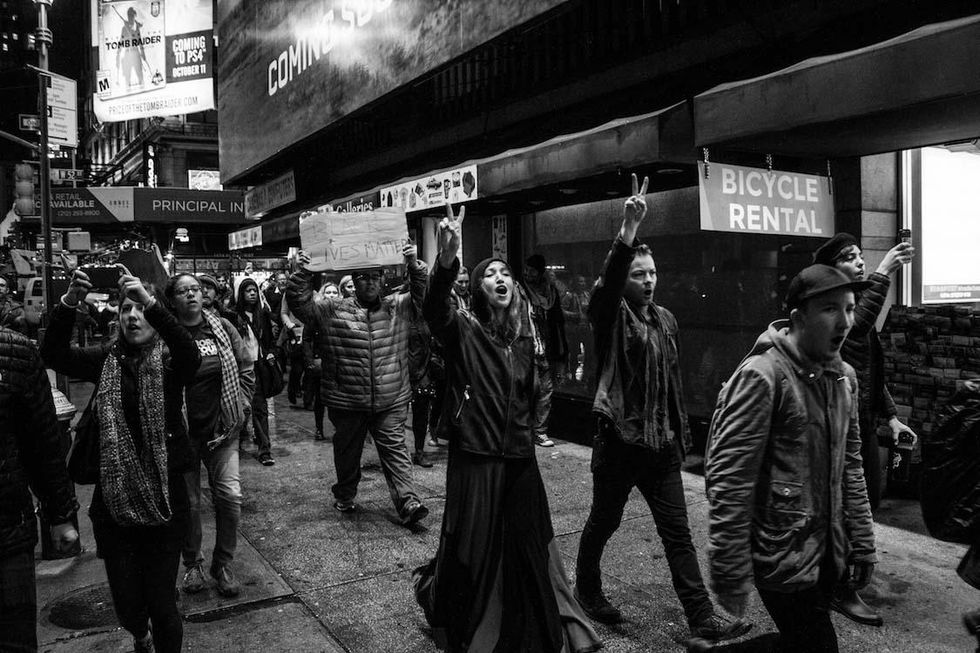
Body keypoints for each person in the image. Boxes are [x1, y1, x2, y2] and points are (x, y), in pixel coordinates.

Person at [414, 203, 602, 653]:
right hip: (476, 456)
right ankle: (448, 604)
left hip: (520, 457)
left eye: (505, 272)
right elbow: (433, 309)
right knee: (475, 548)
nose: (500, 278)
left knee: (531, 541)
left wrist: (535, 428)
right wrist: (446, 260)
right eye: (489, 274)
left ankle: (538, 624)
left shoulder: (523, 337)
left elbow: (530, 394)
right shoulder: (463, 328)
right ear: (478, 288)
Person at [574, 175, 749, 644]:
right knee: (604, 520)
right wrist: (628, 230)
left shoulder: (665, 319)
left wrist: (683, 435)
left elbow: (672, 383)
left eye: (652, 273)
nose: (648, 281)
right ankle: (586, 587)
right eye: (639, 274)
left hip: (662, 445)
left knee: (678, 534)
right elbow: (608, 287)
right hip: (620, 441)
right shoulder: (609, 314)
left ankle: (701, 617)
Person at [695, 264, 878, 653]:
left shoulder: (844, 377)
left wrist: (861, 539)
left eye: (849, 308)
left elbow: (851, 464)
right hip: (781, 552)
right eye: (830, 309)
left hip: (829, 549)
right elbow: (728, 479)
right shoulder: (763, 376)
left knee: (802, 643)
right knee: (817, 645)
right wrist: (729, 569)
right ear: (798, 318)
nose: (844, 320)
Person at [42, 268, 199, 653]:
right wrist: (68, 303)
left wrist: (150, 301)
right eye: (126, 309)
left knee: (163, 604)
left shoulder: (170, 362)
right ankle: (139, 635)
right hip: (114, 507)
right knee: (129, 606)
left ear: (156, 316)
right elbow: (54, 354)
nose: (132, 316)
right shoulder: (105, 359)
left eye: (141, 310)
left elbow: (190, 353)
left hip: (164, 503)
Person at [813, 233, 915, 627]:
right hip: (837, 428)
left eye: (860, 256)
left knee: (866, 500)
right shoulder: (838, 316)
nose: (859, 261)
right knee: (847, 506)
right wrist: (885, 269)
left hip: (863, 423)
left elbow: (869, 368)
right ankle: (839, 586)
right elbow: (857, 332)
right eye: (849, 257)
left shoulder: (853, 310)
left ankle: (839, 577)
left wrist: (890, 415)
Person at [287, 244, 428, 526]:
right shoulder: (331, 310)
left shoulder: (397, 307)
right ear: (352, 280)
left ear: (382, 279)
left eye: (375, 276)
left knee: (395, 449)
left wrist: (415, 266)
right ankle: (346, 493)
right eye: (363, 276)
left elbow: (425, 298)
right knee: (347, 453)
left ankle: (408, 500)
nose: (370, 281)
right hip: (347, 399)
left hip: (390, 397)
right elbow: (301, 306)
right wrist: (302, 273)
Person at [166, 274, 252, 598]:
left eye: (195, 290)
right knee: (188, 504)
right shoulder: (165, 334)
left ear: (204, 296)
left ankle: (223, 563)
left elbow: (245, 365)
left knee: (230, 497)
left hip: (222, 430)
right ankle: (193, 564)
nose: (191, 295)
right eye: (183, 291)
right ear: (172, 299)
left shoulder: (221, 327)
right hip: (182, 434)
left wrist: (242, 403)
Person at [1, 319, 78, 652]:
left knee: (14, 641)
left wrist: (60, 515)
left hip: (8, 532)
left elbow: (43, 442)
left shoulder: (15, 352)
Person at [230, 277, 278, 466]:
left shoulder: (263, 314)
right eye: (247, 290)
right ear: (240, 294)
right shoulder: (233, 316)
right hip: (238, 368)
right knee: (241, 408)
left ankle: (265, 450)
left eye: (254, 290)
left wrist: (271, 353)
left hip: (258, 367)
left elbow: (269, 341)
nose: (251, 293)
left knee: (260, 408)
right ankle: (238, 440)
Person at [523, 253, 568, 447]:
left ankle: (540, 431)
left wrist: (561, 352)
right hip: (527, 349)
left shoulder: (550, 293)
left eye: (532, 270)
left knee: (546, 392)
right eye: (526, 269)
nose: (528, 274)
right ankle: (525, 430)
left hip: (545, 348)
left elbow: (558, 323)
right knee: (529, 391)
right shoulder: (521, 292)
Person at [562, 274, 593, 383]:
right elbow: (562, 311)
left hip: (586, 328)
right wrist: (574, 315)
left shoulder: (587, 295)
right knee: (574, 353)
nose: (582, 283)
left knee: (589, 353)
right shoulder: (569, 296)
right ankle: (573, 377)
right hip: (574, 329)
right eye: (580, 281)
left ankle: (586, 375)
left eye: (583, 281)